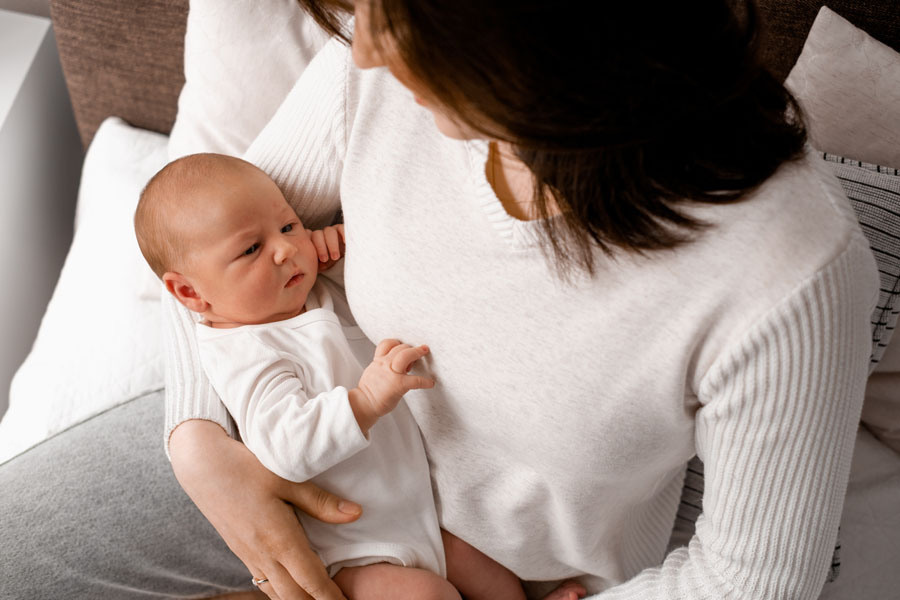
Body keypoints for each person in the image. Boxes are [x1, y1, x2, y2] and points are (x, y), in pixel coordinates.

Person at [0, 1, 878, 599]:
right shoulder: (379, 64)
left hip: (505, 570)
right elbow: (204, 250)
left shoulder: (788, 271)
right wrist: (200, 447)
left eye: (404, 17)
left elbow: (751, 578)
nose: (367, 46)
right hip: (300, 449)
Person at [134, 152, 585, 600]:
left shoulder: (304, 291)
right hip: (355, 551)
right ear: (189, 292)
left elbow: (383, 289)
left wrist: (345, 252)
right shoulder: (244, 351)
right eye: (252, 249)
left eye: (289, 226)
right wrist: (365, 401)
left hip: (420, 517)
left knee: (495, 579)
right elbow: (287, 448)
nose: (286, 249)